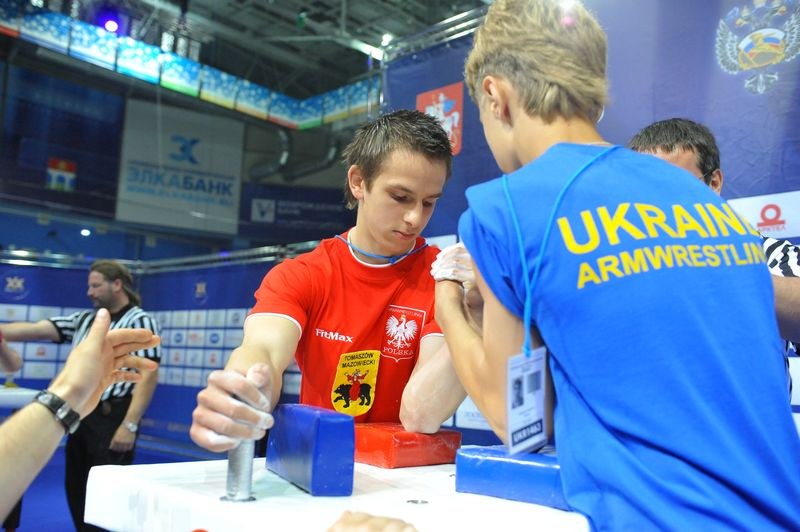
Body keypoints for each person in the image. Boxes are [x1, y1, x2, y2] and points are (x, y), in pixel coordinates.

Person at [433, 0, 800, 529]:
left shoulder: (507, 207)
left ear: (496, 95)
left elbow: (521, 423)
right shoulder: (696, 197)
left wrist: (447, 298)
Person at [190, 109, 466, 453]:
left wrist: (475, 312)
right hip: (315, 464)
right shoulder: (303, 275)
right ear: (358, 181)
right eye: (400, 197)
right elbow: (262, 350)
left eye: (428, 203)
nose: (414, 218)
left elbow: (423, 414)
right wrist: (241, 392)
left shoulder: (443, 280)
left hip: (406, 479)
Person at [0, 260, 161, 531]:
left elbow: (148, 375)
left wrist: (129, 424)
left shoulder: (141, 320)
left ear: (117, 285)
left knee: (107, 494)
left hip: (113, 416)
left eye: (96, 285)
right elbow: (38, 328)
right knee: (77, 486)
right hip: (81, 414)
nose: (90, 291)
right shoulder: (84, 320)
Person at [629, 117, 800, 345]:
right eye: (647, 188)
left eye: (678, 186)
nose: (661, 202)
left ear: (714, 183)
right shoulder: (623, 262)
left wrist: (713, 264)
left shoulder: (773, 255)